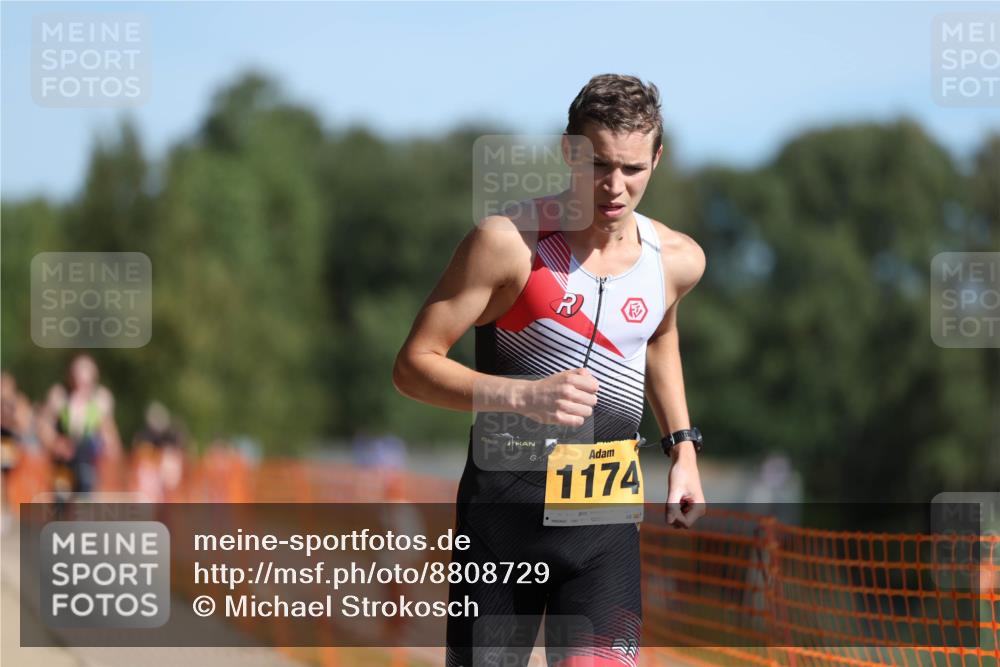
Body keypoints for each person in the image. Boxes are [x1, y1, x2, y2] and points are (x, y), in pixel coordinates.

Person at [394, 74, 707, 666]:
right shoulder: (508, 244)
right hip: (501, 529)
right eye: (599, 166)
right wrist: (521, 397)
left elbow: (659, 337)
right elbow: (412, 366)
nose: (615, 186)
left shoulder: (677, 261)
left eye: (633, 169)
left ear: (657, 160)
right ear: (569, 152)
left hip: (603, 530)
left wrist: (683, 450)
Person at [39, 354, 123, 496]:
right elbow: (44, 425)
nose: (80, 385)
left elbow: (108, 430)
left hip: (88, 458)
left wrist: (111, 447)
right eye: (76, 379)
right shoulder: (59, 395)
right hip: (63, 460)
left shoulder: (101, 399)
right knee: (61, 496)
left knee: (85, 489)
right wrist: (55, 443)